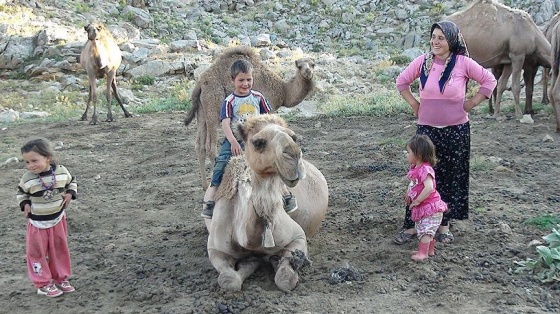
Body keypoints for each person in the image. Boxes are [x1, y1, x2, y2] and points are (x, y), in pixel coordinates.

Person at [394, 21, 497, 244]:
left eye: (441, 37)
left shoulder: (463, 63)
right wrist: (415, 105)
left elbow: (489, 80)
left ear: (451, 40)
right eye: (433, 37)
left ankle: (443, 225)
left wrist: (470, 104)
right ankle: (412, 225)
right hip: (426, 133)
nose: (435, 42)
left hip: (456, 132)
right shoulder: (422, 62)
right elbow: (401, 82)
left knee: (449, 178)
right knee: (420, 179)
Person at [201, 59, 297, 219]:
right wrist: (232, 141)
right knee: (221, 164)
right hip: (235, 139)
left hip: (258, 141)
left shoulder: (258, 97)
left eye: (249, 79)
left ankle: (285, 194)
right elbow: (225, 124)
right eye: (241, 80)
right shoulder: (229, 101)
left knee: (273, 162)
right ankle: (210, 200)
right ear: (232, 80)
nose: (245, 83)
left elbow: (270, 118)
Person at [17, 138, 78, 297]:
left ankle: (61, 278)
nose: (30, 165)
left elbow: (72, 182)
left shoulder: (62, 172)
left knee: (59, 249)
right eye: (27, 162)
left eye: (34, 160)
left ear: (47, 158)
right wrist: (25, 203)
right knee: (36, 252)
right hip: (37, 223)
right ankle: (43, 283)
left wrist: (70, 194)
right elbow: (21, 192)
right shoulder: (28, 178)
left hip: (57, 219)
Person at [404, 135, 448, 261]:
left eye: (408, 152)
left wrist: (417, 200)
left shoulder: (425, 170)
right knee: (424, 228)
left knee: (426, 230)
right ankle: (428, 250)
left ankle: (423, 253)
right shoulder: (415, 168)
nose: (406, 154)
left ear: (418, 154)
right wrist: (409, 194)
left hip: (430, 207)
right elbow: (414, 184)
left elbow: (429, 188)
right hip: (426, 207)